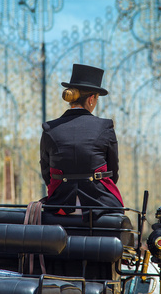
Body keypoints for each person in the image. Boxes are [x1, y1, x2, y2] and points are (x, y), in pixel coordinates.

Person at [40, 63, 123, 216]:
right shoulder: (105, 127)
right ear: (91, 99)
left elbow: (46, 172)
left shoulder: (49, 129)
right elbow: (113, 172)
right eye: (97, 99)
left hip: (60, 206)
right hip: (99, 206)